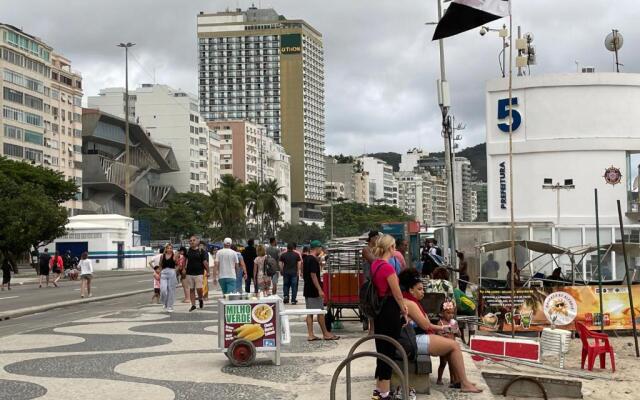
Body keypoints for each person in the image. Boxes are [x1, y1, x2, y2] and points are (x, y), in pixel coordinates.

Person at [398, 268, 482, 393]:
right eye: (419, 289)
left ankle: (459, 380)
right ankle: (464, 383)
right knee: (454, 345)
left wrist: (441, 328)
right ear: (410, 290)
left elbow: (426, 323)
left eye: (423, 289)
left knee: (450, 344)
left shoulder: (410, 301)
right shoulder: (410, 303)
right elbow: (426, 325)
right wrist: (442, 327)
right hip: (413, 340)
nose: (423, 292)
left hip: (414, 337)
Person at [369, 234, 408, 400]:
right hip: (390, 310)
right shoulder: (388, 268)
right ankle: (384, 392)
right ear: (390, 248)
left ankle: (379, 388)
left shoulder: (375, 264)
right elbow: (397, 293)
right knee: (389, 350)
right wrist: (405, 310)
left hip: (379, 310)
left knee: (381, 348)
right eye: (394, 247)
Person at [304, 240, 339, 341]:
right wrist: (319, 289)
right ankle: (326, 333)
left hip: (307, 288)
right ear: (317, 248)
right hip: (314, 290)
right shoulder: (313, 260)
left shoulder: (307, 258)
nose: (322, 250)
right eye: (321, 248)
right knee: (320, 312)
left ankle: (311, 334)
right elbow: (313, 275)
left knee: (310, 313)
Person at [436, 300, 460, 386]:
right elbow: (438, 333)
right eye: (448, 313)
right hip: (444, 347)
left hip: (452, 348)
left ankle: (452, 380)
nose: (450, 315)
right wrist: (443, 335)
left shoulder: (454, 323)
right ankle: (439, 379)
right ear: (442, 313)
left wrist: (456, 330)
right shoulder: (440, 323)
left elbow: (459, 335)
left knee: (452, 365)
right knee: (442, 363)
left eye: (452, 313)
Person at [185, 235, 209, 312]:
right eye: (190, 241)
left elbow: (205, 262)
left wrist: (208, 271)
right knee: (191, 289)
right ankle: (193, 305)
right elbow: (185, 261)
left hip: (199, 273)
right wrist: (183, 269)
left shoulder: (202, 251)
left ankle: (200, 298)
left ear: (197, 241)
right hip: (189, 273)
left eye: (193, 240)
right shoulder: (188, 251)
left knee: (199, 288)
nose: (192, 242)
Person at [159, 243, 178, 312]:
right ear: (166, 249)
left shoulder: (174, 256)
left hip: (171, 272)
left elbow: (177, 264)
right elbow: (160, 265)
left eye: (170, 248)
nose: (169, 249)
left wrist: (175, 271)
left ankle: (170, 306)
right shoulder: (162, 256)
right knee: (163, 289)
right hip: (163, 273)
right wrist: (159, 273)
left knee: (171, 290)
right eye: (168, 248)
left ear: (172, 249)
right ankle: (164, 302)